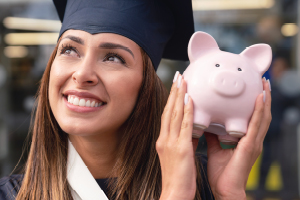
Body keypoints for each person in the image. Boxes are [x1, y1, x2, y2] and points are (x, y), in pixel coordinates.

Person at [0, 0, 272, 199]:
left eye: (113, 57)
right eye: (70, 49)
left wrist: (227, 193)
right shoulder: (9, 195)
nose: (82, 74)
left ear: (147, 85)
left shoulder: (199, 182)